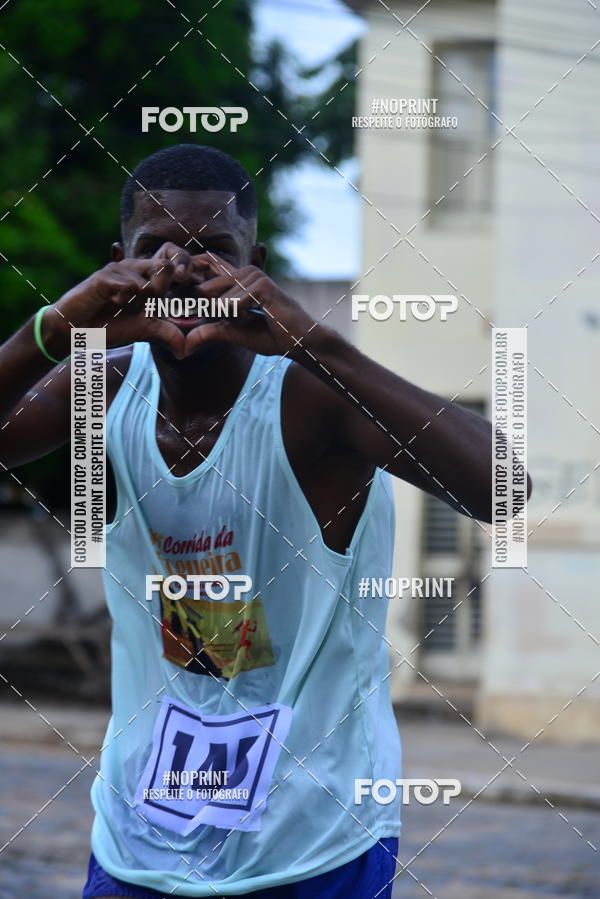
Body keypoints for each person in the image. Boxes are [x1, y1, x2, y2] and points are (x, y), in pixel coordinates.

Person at [0, 144, 525, 898]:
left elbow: (504, 487)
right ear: (115, 262)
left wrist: (312, 340)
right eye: (154, 250)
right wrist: (57, 324)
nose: (181, 270)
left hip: (310, 840)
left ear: (259, 263)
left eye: (213, 249)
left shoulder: (314, 401)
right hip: (143, 837)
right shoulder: (107, 387)